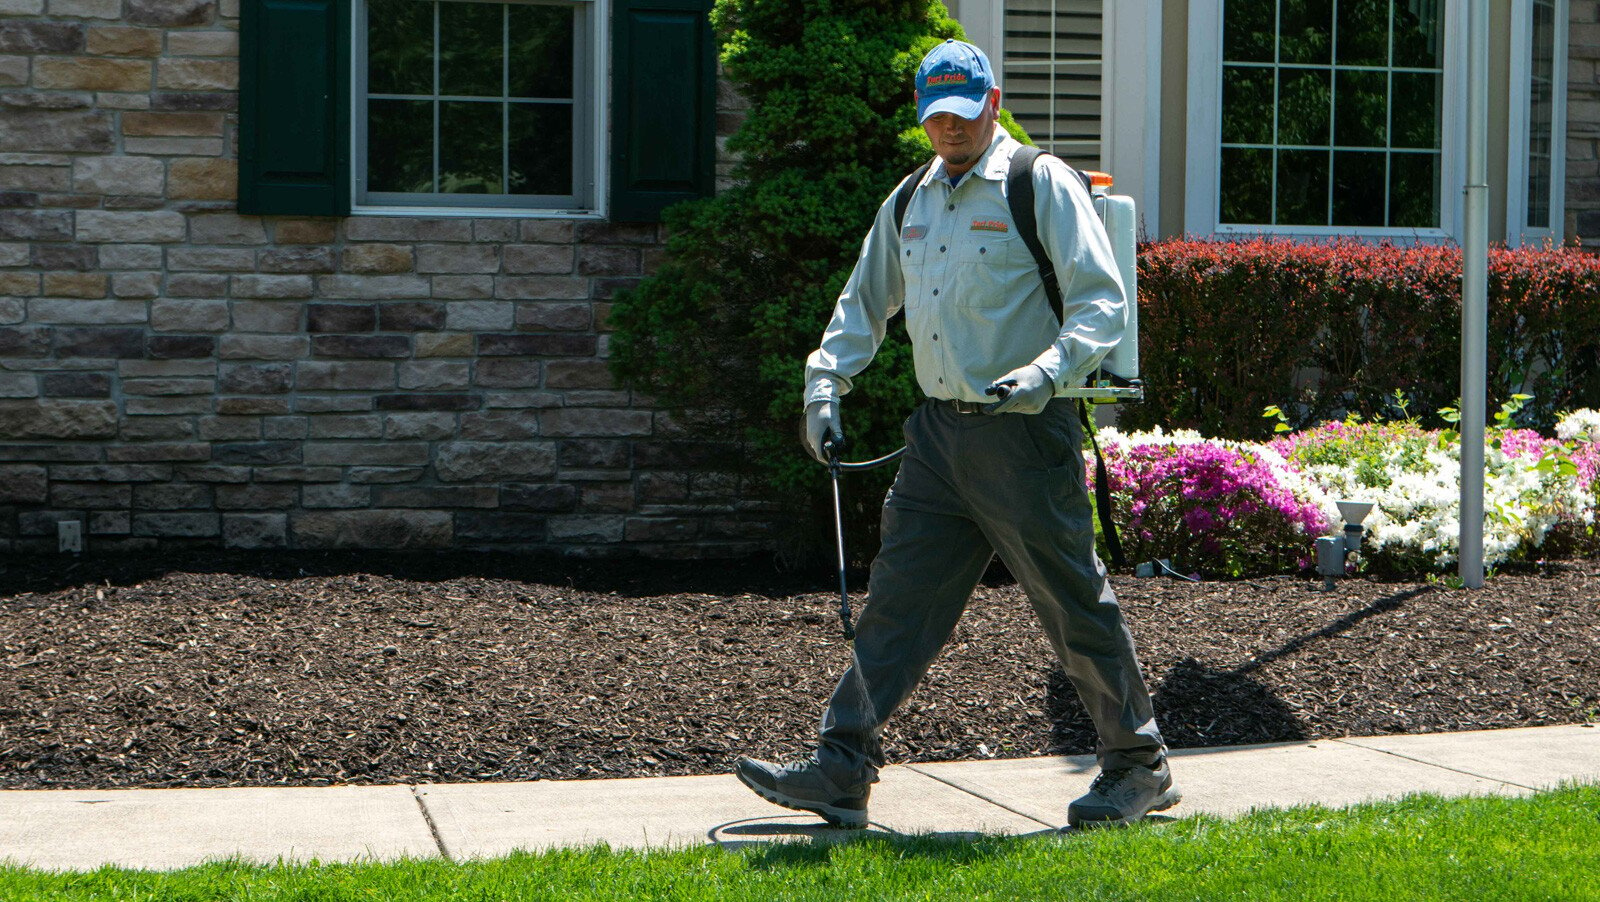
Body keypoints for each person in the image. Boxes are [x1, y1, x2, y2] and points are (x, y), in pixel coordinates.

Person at [733, 39, 1178, 830]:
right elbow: (863, 303)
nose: (951, 129)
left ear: (993, 104)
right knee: (896, 605)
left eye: (964, 114)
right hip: (937, 438)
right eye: (936, 116)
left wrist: (1046, 372)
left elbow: (1102, 300)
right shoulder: (911, 199)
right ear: (922, 116)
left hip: (1024, 434)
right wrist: (824, 383)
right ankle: (841, 766)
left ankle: (1137, 767)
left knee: (1070, 603)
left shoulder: (1034, 182)